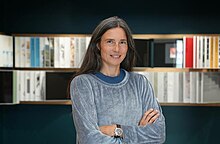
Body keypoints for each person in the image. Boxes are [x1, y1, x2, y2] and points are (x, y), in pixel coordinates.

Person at [69, 16, 166, 144]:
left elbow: (158, 134)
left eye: (122, 42)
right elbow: (89, 139)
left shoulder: (140, 83)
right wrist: (138, 135)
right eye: (110, 41)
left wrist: (117, 129)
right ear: (98, 45)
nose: (116, 49)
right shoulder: (83, 83)